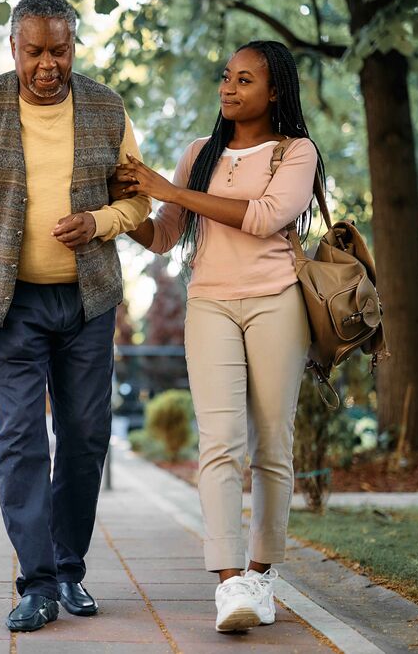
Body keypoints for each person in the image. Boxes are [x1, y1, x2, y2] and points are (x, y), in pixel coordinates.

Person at [0, 0, 150, 633]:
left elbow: (138, 204)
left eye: (60, 50)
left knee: (85, 438)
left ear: (73, 47)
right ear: (14, 49)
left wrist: (100, 221)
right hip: (9, 301)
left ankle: (69, 569)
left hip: (87, 302)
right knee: (20, 438)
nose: (49, 64)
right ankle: (36, 583)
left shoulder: (108, 108)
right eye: (36, 52)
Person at [113, 40, 323, 633]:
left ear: (275, 89)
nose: (229, 88)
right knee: (220, 443)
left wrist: (168, 189)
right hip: (209, 305)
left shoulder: (295, 153)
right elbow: (162, 236)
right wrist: (121, 208)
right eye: (226, 77)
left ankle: (262, 573)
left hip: (276, 303)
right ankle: (230, 583)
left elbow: (261, 218)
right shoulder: (198, 154)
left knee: (272, 447)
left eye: (245, 80)